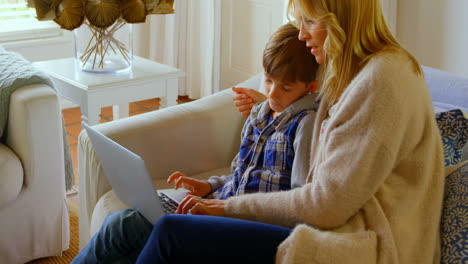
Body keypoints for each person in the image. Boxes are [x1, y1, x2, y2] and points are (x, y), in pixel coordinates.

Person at [136, 0, 445, 263]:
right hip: (339, 226)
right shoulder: (356, 72)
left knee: (170, 233)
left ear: (341, 20)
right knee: (138, 230)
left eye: (310, 21)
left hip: (366, 247)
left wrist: (226, 208)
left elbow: (325, 205)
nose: (301, 34)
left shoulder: (381, 81)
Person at [72, 22, 320, 264]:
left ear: (311, 88)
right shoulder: (259, 114)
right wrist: (208, 185)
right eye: (268, 80)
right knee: (125, 231)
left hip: (246, 224)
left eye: (285, 87)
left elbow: (298, 204)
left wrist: (222, 208)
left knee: (126, 225)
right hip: (220, 206)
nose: (273, 94)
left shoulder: (305, 125)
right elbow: (240, 174)